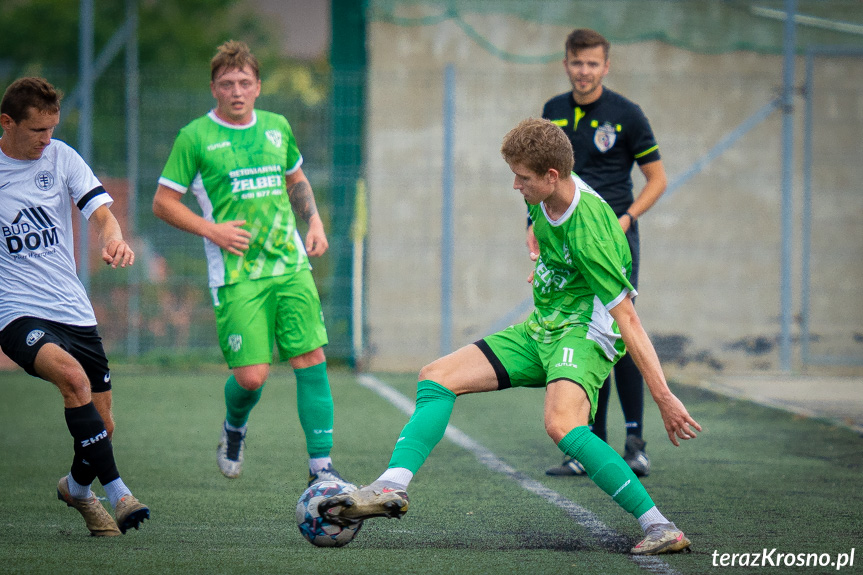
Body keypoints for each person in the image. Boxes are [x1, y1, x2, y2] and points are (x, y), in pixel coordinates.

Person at [319, 118, 700, 555]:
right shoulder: (545, 197)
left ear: (551, 176)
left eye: (522, 178)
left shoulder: (592, 227)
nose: (515, 186)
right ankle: (392, 487)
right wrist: (541, 257)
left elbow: (628, 320)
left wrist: (664, 397)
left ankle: (660, 526)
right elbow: (543, 227)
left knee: (562, 425)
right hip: (543, 327)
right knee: (437, 376)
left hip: (585, 333)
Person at [152, 40, 344, 486]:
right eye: (226, 84)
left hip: (290, 265)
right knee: (253, 378)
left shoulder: (277, 126)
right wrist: (212, 229)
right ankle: (234, 428)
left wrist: (313, 223)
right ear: (214, 89)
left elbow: (296, 178)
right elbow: (163, 203)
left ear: (258, 86)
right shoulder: (194, 137)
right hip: (237, 275)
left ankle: (322, 468)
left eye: (244, 82)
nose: (236, 91)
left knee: (310, 359)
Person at [0, 77, 150, 536]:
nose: (47, 139)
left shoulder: (61, 157)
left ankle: (77, 489)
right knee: (72, 378)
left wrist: (114, 237)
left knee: (103, 423)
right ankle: (119, 492)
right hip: (16, 310)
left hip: (73, 309)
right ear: (7, 123)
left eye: (52, 129)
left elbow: (101, 213)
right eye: (37, 131)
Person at [538, 28, 668, 478]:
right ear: (566, 63)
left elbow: (657, 179)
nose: (584, 71)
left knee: (618, 327)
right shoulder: (552, 112)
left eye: (593, 64)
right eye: (577, 62)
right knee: (582, 329)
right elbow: (540, 179)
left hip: (613, 238)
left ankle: (635, 443)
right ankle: (587, 444)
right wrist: (533, 227)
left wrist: (627, 217)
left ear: (606, 67)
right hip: (565, 240)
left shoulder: (626, 115)